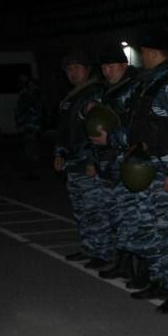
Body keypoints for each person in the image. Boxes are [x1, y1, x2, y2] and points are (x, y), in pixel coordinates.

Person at [125, 27, 168, 314]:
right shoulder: (149, 81)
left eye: (143, 52)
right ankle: (157, 280)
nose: (141, 57)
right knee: (149, 228)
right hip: (147, 167)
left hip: (167, 168)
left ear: (153, 53)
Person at [52, 49, 109, 267]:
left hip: (86, 161)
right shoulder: (72, 96)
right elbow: (64, 129)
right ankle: (89, 247)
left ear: (87, 69)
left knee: (95, 210)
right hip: (72, 161)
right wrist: (59, 152)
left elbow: (97, 129)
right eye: (69, 69)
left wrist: (93, 160)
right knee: (81, 209)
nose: (72, 72)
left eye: (77, 67)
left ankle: (102, 252)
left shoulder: (94, 93)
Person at [91, 43, 139, 281]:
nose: (107, 71)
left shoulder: (133, 88)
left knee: (128, 217)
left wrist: (111, 138)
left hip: (126, 163)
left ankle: (130, 265)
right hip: (108, 162)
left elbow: (136, 128)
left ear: (123, 65)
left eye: (111, 66)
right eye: (103, 67)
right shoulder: (106, 90)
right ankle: (122, 261)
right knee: (116, 216)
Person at [14, 73, 43, 180]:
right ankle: (30, 172)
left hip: (31, 127)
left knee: (31, 149)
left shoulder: (31, 97)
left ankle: (33, 172)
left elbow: (31, 112)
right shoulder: (27, 96)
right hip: (28, 127)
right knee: (28, 149)